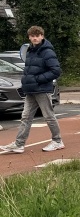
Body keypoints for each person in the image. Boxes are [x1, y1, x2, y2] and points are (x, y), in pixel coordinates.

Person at [0, 26, 64, 154]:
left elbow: (56, 71)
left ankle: (57, 141)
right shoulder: (30, 51)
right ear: (29, 37)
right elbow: (29, 70)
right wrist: (26, 82)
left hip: (42, 89)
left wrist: (39, 79)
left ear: (42, 36)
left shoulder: (47, 52)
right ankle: (19, 144)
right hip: (30, 90)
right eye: (32, 36)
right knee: (25, 117)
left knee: (48, 116)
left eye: (37, 35)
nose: (35, 38)